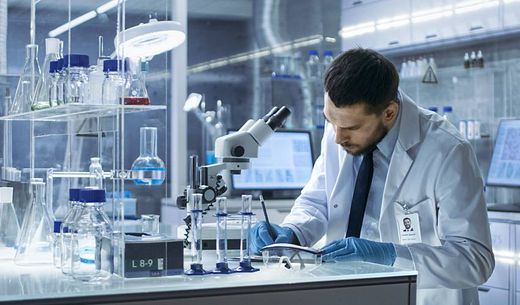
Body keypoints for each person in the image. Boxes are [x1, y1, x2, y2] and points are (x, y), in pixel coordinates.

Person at [250, 48, 494, 305]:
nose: (337, 137)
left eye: (351, 128)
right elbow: (318, 201)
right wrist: (292, 232)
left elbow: (474, 260)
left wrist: (390, 255)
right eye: (330, 121)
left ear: (388, 112)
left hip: (419, 297)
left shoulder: (447, 150)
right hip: (347, 291)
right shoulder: (340, 130)